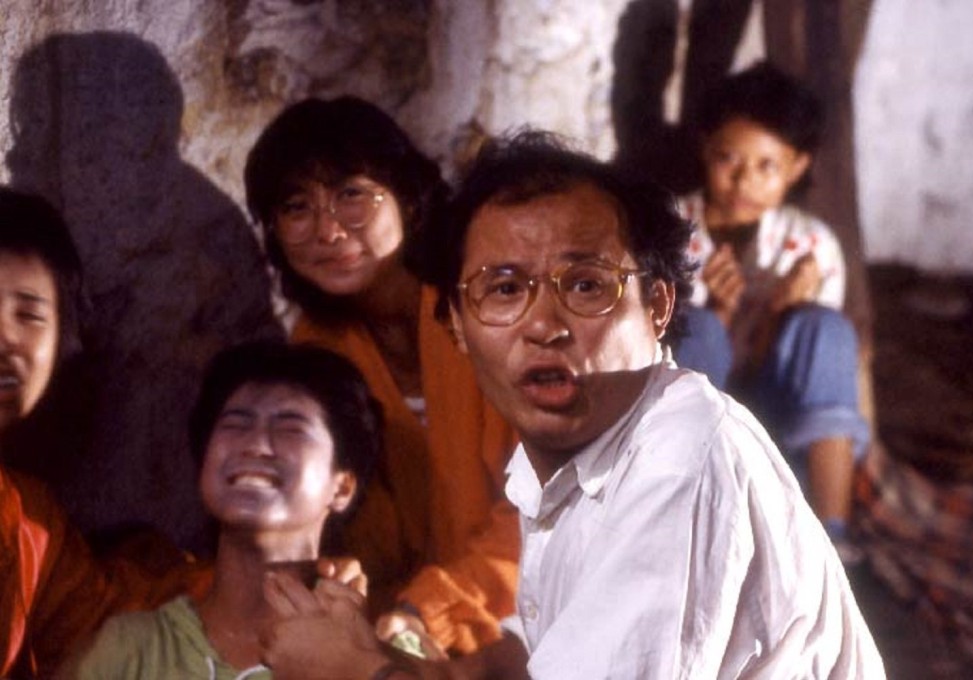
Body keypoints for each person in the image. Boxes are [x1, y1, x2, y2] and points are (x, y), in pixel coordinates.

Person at [257, 130, 885, 679]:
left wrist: (354, 671)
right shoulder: (555, 464)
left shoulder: (684, 456)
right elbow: (537, 655)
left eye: (587, 285)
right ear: (454, 325)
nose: (543, 324)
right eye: (504, 289)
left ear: (660, 308)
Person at [243, 96, 518, 653]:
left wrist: (428, 611)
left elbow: (547, 510)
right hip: (409, 626)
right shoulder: (316, 348)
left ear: (409, 202)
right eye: (297, 207)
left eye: (351, 195)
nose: (328, 230)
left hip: (531, 604)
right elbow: (359, 524)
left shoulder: (485, 305)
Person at [58, 341, 381, 678]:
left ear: (342, 486)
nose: (255, 444)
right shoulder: (126, 650)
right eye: (235, 424)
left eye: (290, 428)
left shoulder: (385, 660)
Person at [0, 187, 203, 677]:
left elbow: (102, 629)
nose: (4, 337)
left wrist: (282, 578)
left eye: (28, 315)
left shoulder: (29, 522)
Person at [673, 61, 870, 551]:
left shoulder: (810, 245)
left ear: (797, 167)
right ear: (704, 147)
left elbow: (800, 368)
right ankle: (676, 514)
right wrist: (717, 313)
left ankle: (831, 536)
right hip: (691, 426)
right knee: (694, 327)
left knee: (825, 329)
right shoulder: (668, 230)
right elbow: (665, 361)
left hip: (778, 422)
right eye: (729, 160)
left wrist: (781, 318)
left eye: (767, 167)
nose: (744, 182)